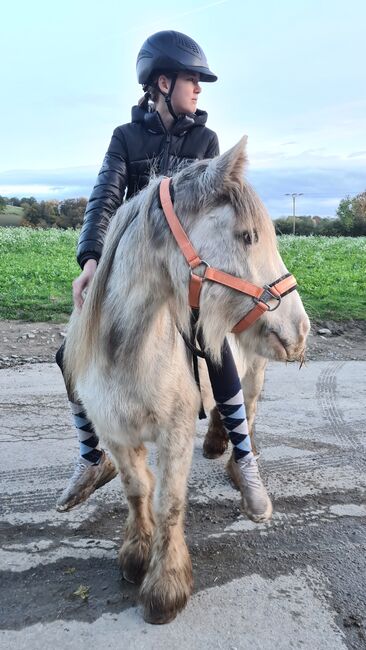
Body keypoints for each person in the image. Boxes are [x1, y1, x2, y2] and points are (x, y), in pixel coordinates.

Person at [55, 30, 272, 522]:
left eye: (199, 81)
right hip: (135, 271)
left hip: (185, 272)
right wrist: (90, 260)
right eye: (191, 79)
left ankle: (246, 459)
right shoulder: (125, 138)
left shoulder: (206, 141)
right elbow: (103, 199)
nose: (198, 89)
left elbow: (212, 215)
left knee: (215, 352)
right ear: (161, 81)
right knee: (69, 351)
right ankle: (93, 456)